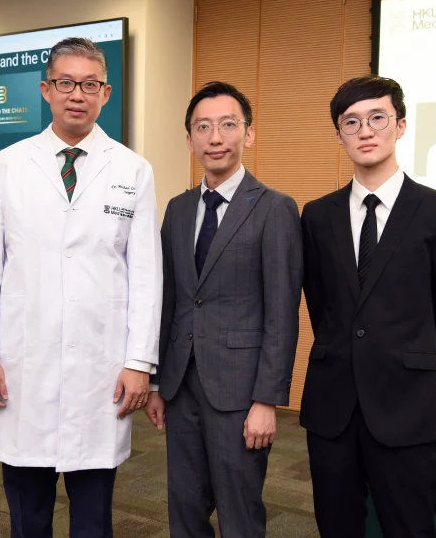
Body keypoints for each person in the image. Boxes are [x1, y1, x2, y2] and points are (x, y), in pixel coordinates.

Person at [0, 37, 161, 538]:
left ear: (106, 92)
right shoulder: (6, 165)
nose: (78, 94)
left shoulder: (132, 170)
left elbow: (145, 275)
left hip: (101, 372)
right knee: (28, 518)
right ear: (46, 90)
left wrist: (139, 362)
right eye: (66, 83)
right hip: (21, 368)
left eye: (90, 84)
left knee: (93, 518)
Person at [300, 75, 436, 537]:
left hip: (407, 404)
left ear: (400, 126)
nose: (365, 130)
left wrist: (404, 351)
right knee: (335, 526)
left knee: (409, 528)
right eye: (351, 122)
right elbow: (324, 305)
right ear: (339, 135)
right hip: (333, 407)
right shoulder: (317, 216)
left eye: (378, 117)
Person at [145, 81, 302, 538]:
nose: (215, 137)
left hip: (241, 390)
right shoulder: (177, 209)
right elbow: (169, 300)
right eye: (203, 127)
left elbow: (282, 311)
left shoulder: (274, 208)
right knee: (185, 508)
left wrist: (266, 400)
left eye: (227, 125)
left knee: (239, 513)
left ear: (248, 134)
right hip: (181, 384)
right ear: (190, 138)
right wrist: (157, 383)